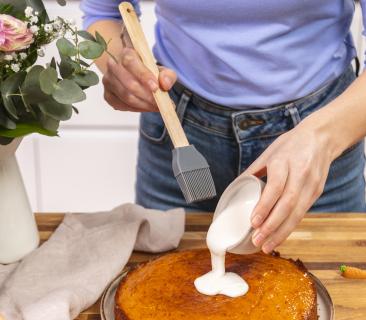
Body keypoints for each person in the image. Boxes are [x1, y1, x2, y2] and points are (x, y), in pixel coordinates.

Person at [80, 0, 366, 254]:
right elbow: (104, 11)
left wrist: (322, 137)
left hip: (321, 135)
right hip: (176, 129)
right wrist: (121, 63)